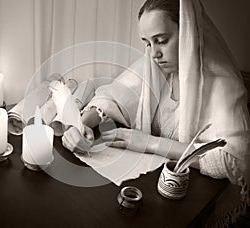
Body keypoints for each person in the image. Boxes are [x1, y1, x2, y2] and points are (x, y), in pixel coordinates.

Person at [62, 0, 250, 226]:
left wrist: (149, 142)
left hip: (194, 203)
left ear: (190, 32)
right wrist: (81, 124)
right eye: (147, 43)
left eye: (161, 41)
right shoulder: (155, 67)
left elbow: (234, 161)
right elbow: (114, 95)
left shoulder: (222, 85)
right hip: (151, 189)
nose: (153, 54)